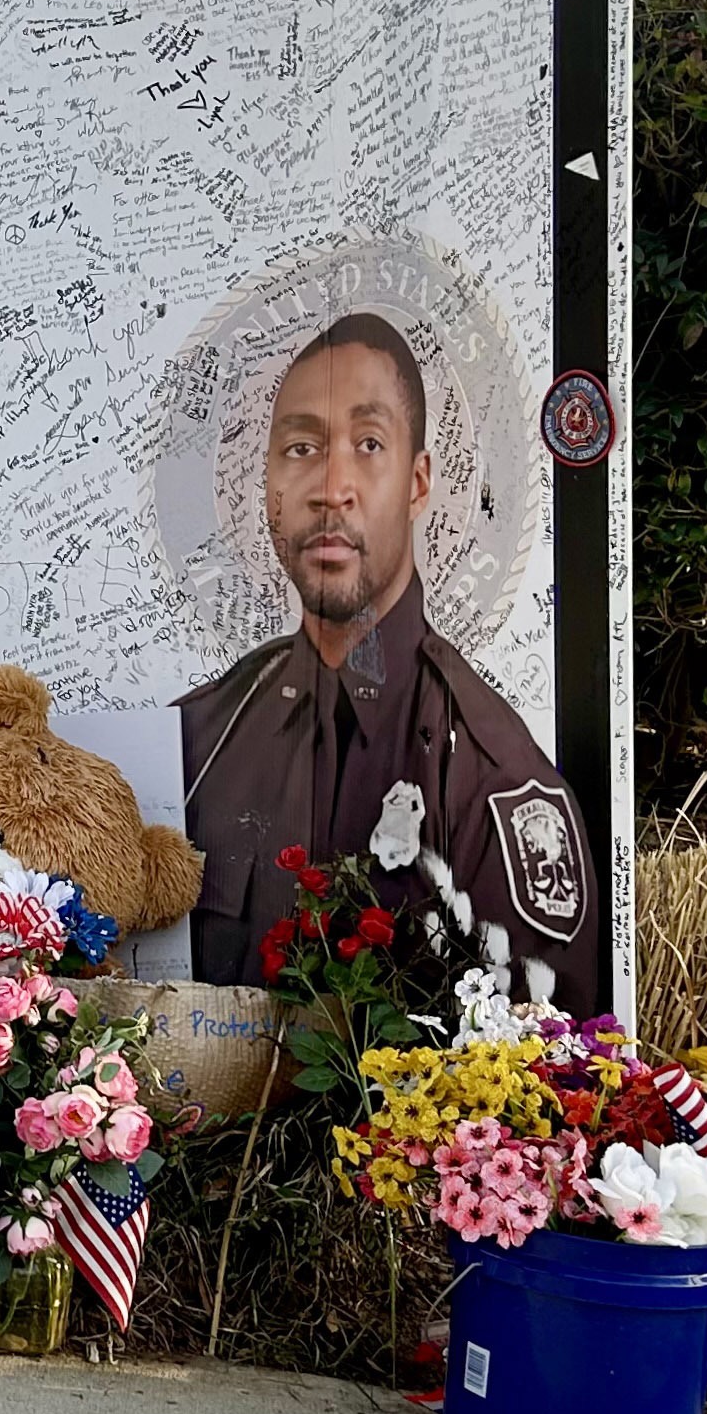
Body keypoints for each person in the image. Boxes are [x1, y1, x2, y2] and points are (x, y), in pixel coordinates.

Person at [176, 310, 602, 1015]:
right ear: (270, 487)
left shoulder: (493, 782)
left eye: (369, 443)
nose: (331, 486)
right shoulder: (203, 740)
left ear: (418, 481)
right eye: (302, 447)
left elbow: (542, 1089)